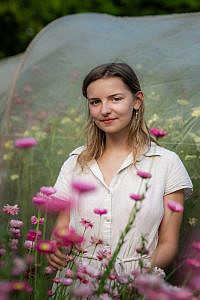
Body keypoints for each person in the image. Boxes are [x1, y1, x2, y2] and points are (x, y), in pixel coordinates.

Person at [47, 62, 192, 275]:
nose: (105, 110)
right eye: (95, 102)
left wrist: (137, 280)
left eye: (116, 99)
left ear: (137, 101)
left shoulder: (166, 163)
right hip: (76, 280)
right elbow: (62, 226)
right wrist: (56, 247)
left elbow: (168, 243)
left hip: (137, 282)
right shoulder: (76, 162)